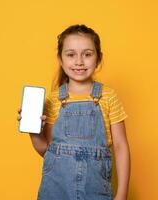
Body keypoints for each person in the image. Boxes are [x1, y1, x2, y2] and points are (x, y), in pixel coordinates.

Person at [17, 24, 130, 200]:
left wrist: (122, 193)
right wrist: (33, 132)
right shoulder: (53, 100)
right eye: (71, 55)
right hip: (56, 190)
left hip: (95, 190)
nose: (79, 61)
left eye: (87, 54)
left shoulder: (108, 97)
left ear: (98, 58)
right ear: (61, 60)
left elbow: (120, 147)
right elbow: (47, 151)